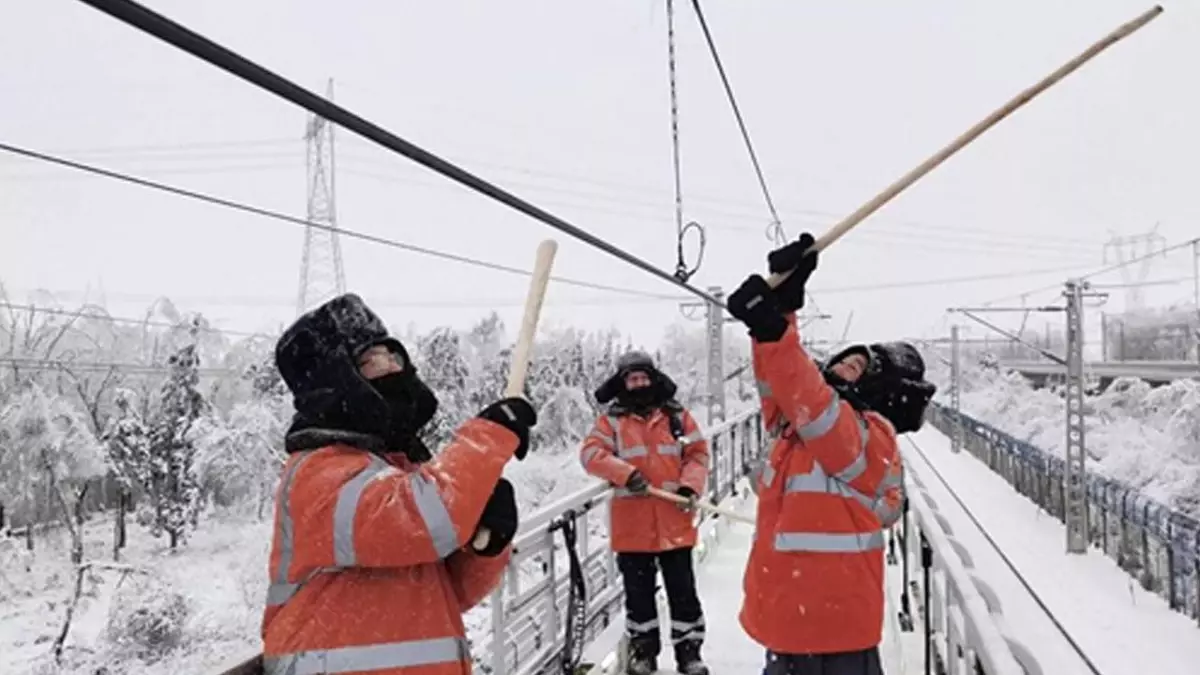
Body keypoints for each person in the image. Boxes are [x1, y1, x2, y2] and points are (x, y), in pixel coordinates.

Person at [260, 293, 537, 675]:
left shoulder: (394, 470)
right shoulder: (317, 473)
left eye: (395, 356)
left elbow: (448, 593)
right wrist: (488, 438)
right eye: (372, 360)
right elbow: (423, 520)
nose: (393, 368)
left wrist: (484, 548)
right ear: (336, 379)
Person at [725, 233, 936, 675]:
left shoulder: (871, 436)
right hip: (787, 615)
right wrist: (784, 306)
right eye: (843, 359)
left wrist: (774, 330)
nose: (842, 366)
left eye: (858, 367)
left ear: (878, 389)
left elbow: (810, 399)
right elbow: (782, 380)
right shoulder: (798, 423)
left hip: (832, 628)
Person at [579, 351, 712, 675]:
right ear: (622, 383)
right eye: (631, 379)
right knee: (639, 599)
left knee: (684, 593)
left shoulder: (677, 418)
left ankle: (689, 653)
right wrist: (625, 473)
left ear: (653, 379)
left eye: (643, 377)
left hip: (674, 521)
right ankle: (643, 653)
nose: (638, 384)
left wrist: (689, 488)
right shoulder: (611, 421)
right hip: (633, 527)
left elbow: (697, 454)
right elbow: (590, 454)